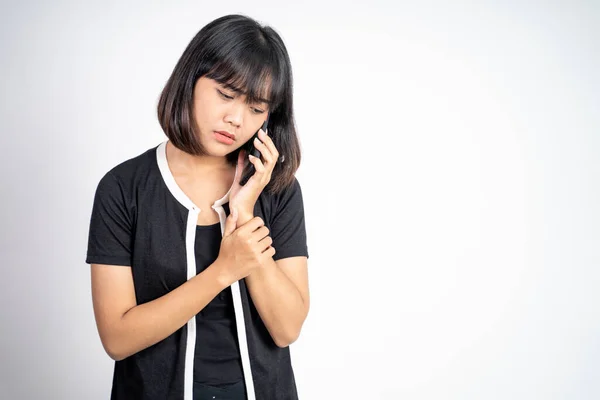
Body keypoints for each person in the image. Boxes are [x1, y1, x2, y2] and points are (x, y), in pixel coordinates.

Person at [85, 14, 310, 400]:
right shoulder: (123, 189)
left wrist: (245, 214)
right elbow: (117, 338)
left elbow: (286, 328)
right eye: (226, 94)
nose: (236, 119)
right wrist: (223, 271)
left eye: (256, 108)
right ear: (190, 79)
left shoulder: (278, 190)